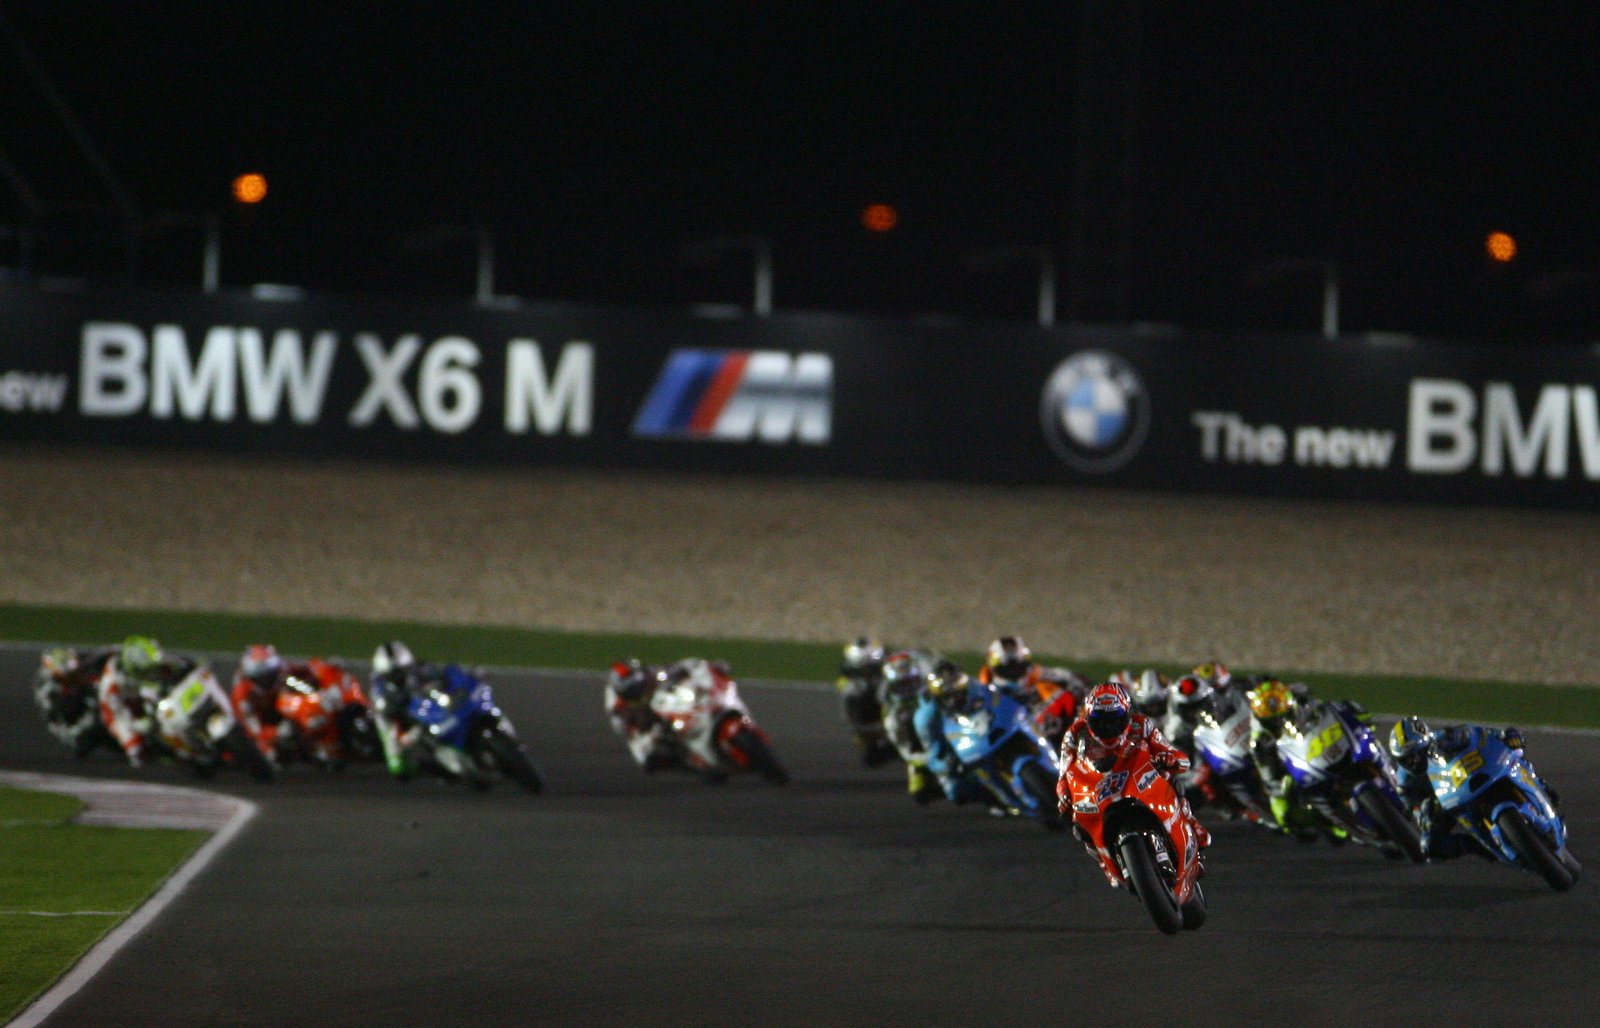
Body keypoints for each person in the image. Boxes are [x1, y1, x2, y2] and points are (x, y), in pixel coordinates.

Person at [1056, 681, 1210, 884]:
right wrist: (1064, 795)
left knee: (1170, 778)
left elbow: (1165, 748)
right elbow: (1064, 771)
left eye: (1114, 719)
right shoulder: (1075, 733)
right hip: (1100, 783)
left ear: (1127, 714)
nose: (1107, 727)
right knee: (1079, 824)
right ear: (1088, 717)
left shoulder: (1141, 723)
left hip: (1136, 773)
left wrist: (1169, 758)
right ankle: (1106, 863)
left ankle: (1191, 823)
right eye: (1100, 720)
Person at [1388, 715, 1555, 861]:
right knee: (1430, 848)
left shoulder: (1446, 737)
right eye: (1407, 759)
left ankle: (1541, 786)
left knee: (1515, 755)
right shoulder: (1404, 780)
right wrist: (1425, 815)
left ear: (1427, 741)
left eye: (1418, 753)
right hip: (1446, 803)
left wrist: (1505, 736)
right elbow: (1413, 807)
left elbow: (1480, 735)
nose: (1415, 761)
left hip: (1470, 778)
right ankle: (1479, 847)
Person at [95, 635, 195, 766]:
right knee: (135, 750)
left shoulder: (133, 653)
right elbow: (118, 712)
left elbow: (162, 657)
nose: (151, 670)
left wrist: (186, 665)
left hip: (137, 693)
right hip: (117, 712)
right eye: (147, 670)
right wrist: (136, 722)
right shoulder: (111, 687)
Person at [912, 663, 992, 806]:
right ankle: (992, 800)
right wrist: (946, 764)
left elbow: (997, 699)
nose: (955, 696)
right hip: (956, 747)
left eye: (956, 685)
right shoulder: (926, 719)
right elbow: (933, 753)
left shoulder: (974, 686)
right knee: (955, 792)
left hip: (985, 726)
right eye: (948, 693)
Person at [879, 649, 943, 804]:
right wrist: (923, 760)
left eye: (912, 683)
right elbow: (904, 748)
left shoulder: (933, 696)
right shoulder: (894, 716)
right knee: (920, 793)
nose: (908, 689)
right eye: (902, 686)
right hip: (921, 755)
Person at [368, 640, 432, 778]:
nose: (400, 675)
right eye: (395, 673)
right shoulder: (379, 684)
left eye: (402, 670)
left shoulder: (417, 669)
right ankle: (420, 765)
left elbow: (436, 676)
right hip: (396, 714)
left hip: (421, 707)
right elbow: (384, 709)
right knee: (397, 766)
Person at [603, 658, 677, 771]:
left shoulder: (641, 672)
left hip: (658, 698)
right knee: (644, 754)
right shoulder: (614, 698)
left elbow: (663, 671)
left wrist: (671, 669)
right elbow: (618, 722)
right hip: (638, 715)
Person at [835, 636, 895, 767]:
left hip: (888, 706)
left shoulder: (886, 665)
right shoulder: (851, 686)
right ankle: (870, 743)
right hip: (867, 722)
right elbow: (848, 711)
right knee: (871, 758)